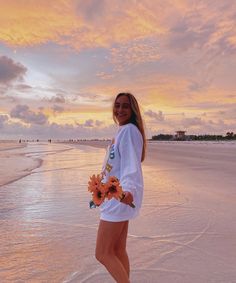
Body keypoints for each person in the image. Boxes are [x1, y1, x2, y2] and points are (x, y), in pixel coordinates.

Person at [95, 92, 146, 282]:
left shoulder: (129, 131)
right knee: (117, 249)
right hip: (114, 195)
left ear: (133, 110)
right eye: (117, 105)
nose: (120, 110)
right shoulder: (123, 130)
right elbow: (116, 164)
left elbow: (131, 165)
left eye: (125, 106)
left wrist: (129, 190)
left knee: (102, 253)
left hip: (120, 196)